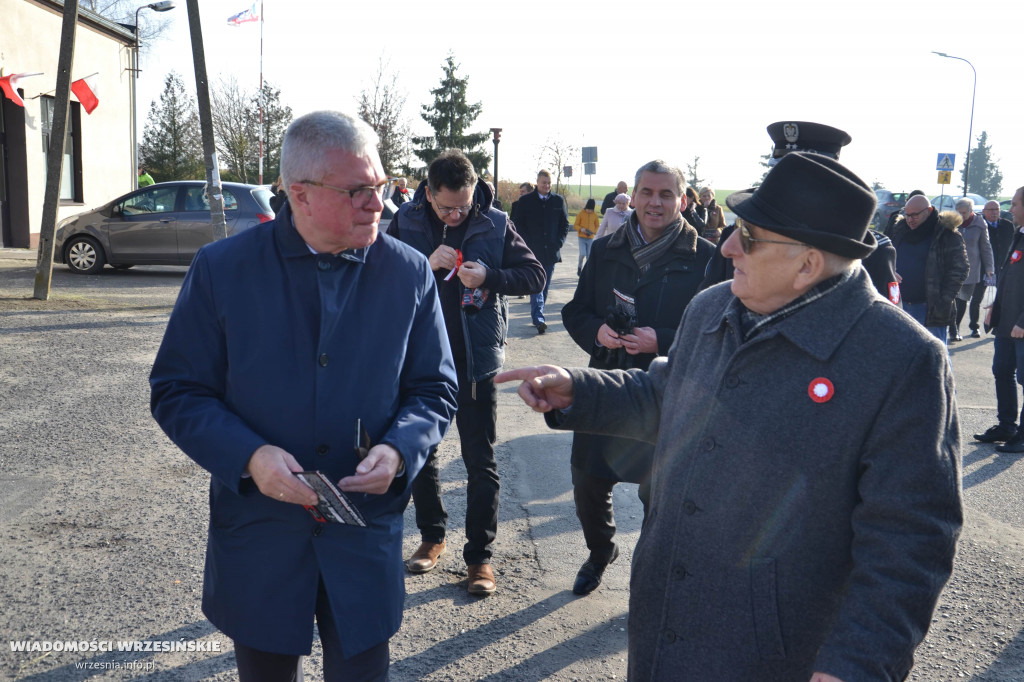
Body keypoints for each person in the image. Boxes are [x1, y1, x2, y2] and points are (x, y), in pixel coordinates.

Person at [497, 152, 962, 682]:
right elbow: (666, 396)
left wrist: (855, 666)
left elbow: (910, 544)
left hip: (771, 656)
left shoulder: (902, 360)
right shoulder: (713, 306)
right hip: (662, 628)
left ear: (808, 264)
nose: (728, 245)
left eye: (750, 235)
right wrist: (578, 389)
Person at [150, 111, 459, 682]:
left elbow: (435, 387)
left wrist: (398, 451)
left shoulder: (408, 273)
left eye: (383, 186)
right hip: (262, 535)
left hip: (364, 531)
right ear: (300, 194)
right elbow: (177, 390)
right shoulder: (223, 270)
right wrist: (249, 457)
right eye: (360, 191)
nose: (378, 204)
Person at [388, 149, 545, 595]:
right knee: (423, 455)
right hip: (421, 362)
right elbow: (378, 280)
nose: (456, 214)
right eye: (446, 207)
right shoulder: (407, 221)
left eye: (464, 204)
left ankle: (479, 558)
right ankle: (432, 537)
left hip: (475, 361)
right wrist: (424, 265)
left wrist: (490, 277)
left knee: (480, 460)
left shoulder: (494, 222)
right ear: (428, 193)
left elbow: (533, 275)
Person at [560, 160, 714, 596]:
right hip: (606, 387)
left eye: (666, 194)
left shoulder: (705, 259)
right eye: (647, 192)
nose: (655, 202)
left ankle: (649, 576)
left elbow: (715, 332)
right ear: (633, 196)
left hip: (668, 396)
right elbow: (575, 311)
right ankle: (600, 550)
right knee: (588, 481)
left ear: (681, 201)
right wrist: (595, 331)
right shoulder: (607, 249)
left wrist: (660, 342)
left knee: (658, 497)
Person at [700, 120, 901, 306]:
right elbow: (712, 305)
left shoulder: (871, 251)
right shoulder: (737, 236)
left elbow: (887, 330)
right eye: (776, 175)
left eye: (798, 180)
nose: (780, 186)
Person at [975, 186, 1024, 451]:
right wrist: (995, 305)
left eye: (1015, 204)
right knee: (1002, 371)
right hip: (1006, 323)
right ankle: (1007, 426)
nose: (1011, 208)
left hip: (1021, 326)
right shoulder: (1019, 235)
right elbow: (1008, 276)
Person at [887, 195, 968, 343]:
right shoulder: (901, 229)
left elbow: (960, 270)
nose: (910, 219)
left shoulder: (947, 234)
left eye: (915, 215)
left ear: (929, 211)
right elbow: (890, 257)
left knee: (934, 358)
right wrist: (890, 271)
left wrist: (943, 300)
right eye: (907, 214)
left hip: (930, 310)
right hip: (899, 305)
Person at [510, 169, 570, 334]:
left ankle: (538, 314)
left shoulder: (558, 201)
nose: (547, 186)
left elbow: (564, 225)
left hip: (550, 251)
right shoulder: (526, 201)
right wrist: (525, 243)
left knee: (545, 285)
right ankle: (539, 318)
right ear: (537, 183)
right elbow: (517, 224)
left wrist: (558, 242)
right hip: (532, 251)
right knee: (538, 283)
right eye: (544, 183)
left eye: (549, 183)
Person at [949, 198, 994, 341]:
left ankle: (955, 328)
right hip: (951, 268)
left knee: (962, 300)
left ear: (971, 211)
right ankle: (952, 328)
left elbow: (986, 247)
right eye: (959, 212)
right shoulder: (951, 223)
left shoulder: (980, 224)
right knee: (952, 300)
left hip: (971, 269)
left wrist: (989, 267)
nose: (961, 216)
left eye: (964, 212)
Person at [970, 200, 1016, 337]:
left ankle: (998, 326)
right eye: (991, 210)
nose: (994, 212)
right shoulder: (979, 225)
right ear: (984, 211)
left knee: (1003, 298)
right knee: (977, 298)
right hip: (983, 268)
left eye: (997, 209)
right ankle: (974, 326)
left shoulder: (1007, 225)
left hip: (1003, 267)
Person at [573, 197, 600, 275]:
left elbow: (597, 225)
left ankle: (587, 270)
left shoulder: (595, 215)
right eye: (588, 209)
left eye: (591, 210)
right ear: (586, 207)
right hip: (581, 237)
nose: (589, 211)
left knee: (589, 256)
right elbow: (575, 225)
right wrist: (581, 229)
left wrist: (594, 232)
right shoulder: (581, 214)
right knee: (582, 254)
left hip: (590, 238)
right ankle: (579, 267)